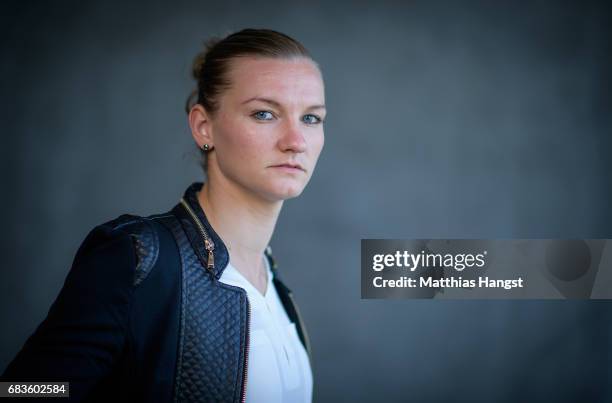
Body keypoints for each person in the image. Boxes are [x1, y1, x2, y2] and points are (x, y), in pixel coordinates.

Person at [2, 28, 326, 403]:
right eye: (264, 113)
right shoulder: (139, 259)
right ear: (204, 127)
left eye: (312, 118)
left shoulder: (276, 289)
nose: (296, 141)